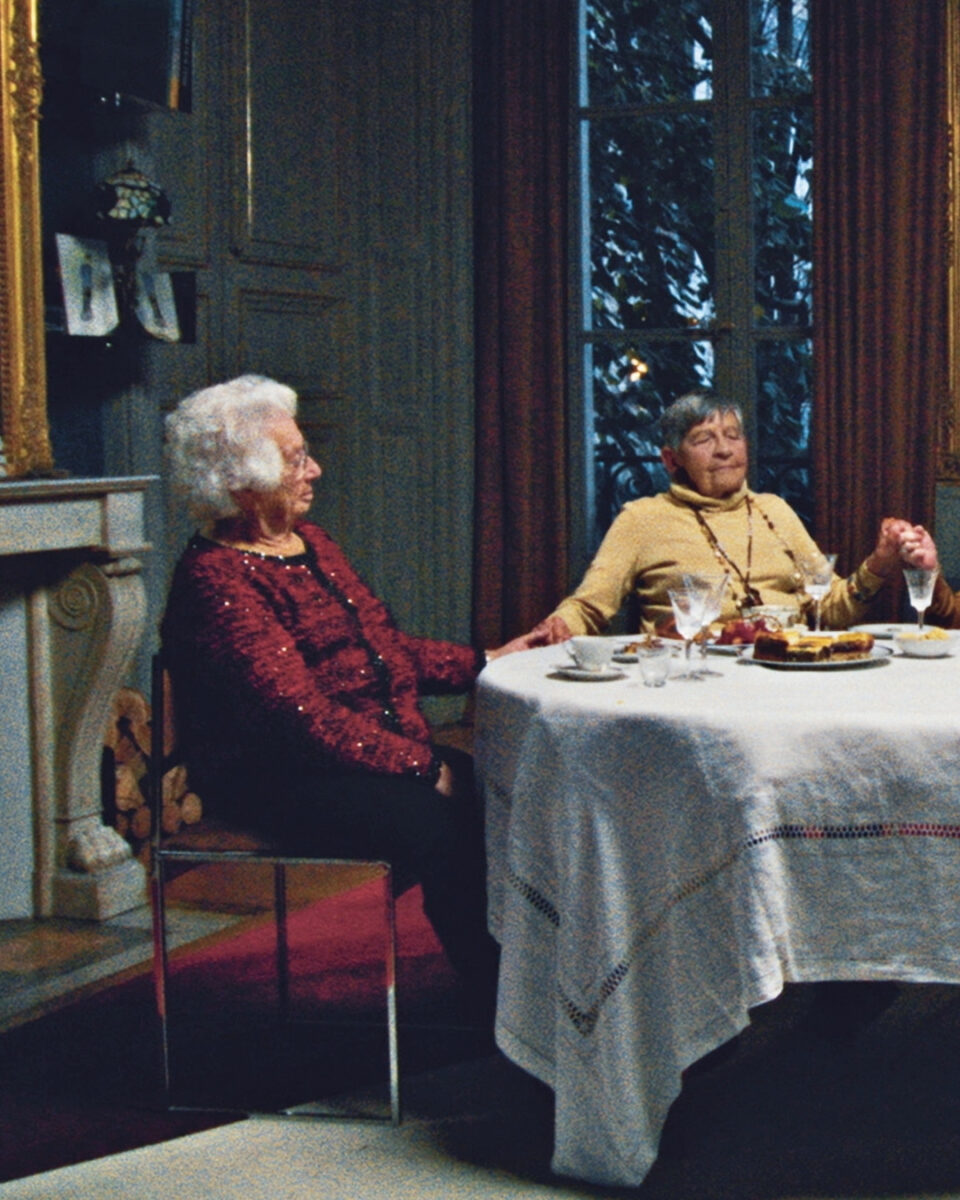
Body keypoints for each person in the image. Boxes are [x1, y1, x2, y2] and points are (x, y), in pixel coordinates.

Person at [160, 374, 536, 1000]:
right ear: (243, 484)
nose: (317, 469)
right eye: (296, 459)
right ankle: (502, 1004)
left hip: (354, 756)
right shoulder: (217, 579)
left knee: (503, 795)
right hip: (277, 777)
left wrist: (486, 659)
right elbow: (297, 717)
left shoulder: (309, 543)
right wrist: (420, 766)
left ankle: (526, 992)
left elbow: (382, 654)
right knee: (442, 828)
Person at [532, 388, 929, 641]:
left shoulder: (775, 510)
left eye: (733, 436)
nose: (724, 450)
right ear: (672, 459)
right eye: (703, 439)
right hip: (693, 681)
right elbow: (588, 606)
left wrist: (880, 563)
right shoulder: (643, 518)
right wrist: (554, 629)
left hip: (786, 674)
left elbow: (830, 610)